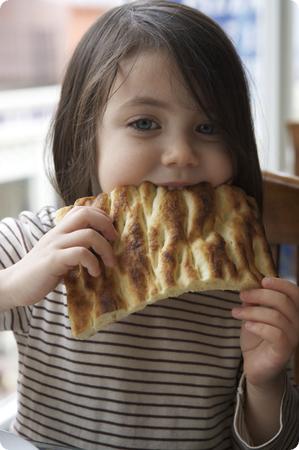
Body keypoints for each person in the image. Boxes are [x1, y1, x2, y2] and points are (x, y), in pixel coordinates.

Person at [0, 1, 298, 449]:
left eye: (208, 126)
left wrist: (266, 381)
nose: (180, 153)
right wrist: (12, 286)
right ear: (86, 135)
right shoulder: (34, 246)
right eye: (145, 123)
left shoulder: (248, 284)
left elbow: (272, 442)